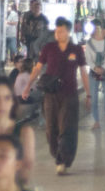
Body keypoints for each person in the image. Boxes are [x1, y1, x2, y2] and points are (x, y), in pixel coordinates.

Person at [28, 18, 91, 176]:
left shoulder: (76, 50)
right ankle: (57, 154)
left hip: (69, 94)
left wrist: (89, 94)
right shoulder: (49, 48)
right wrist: (28, 85)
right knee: (51, 129)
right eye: (56, 31)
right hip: (50, 94)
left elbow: (83, 72)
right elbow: (37, 68)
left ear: (69, 32)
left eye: (61, 31)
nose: (58, 34)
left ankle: (63, 160)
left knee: (67, 128)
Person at [85, 22, 105, 130]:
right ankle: (96, 121)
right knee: (94, 97)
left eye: (99, 28)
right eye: (95, 28)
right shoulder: (89, 43)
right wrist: (95, 68)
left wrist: (103, 68)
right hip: (93, 72)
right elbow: (88, 59)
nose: (97, 30)